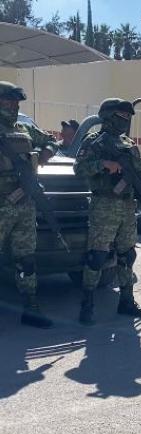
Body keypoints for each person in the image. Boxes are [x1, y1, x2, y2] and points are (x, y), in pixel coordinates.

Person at [74, 98, 141, 325]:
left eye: (128, 117)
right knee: (97, 257)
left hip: (126, 206)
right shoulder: (94, 141)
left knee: (128, 254)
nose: (125, 121)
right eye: (120, 116)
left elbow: (140, 173)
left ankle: (127, 302)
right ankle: (87, 305)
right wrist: (104, 164)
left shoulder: (129, 144)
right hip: (104, 204)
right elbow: (79, 168)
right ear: (107, 116)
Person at [0, 81, 57, 328]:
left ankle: (31, 307)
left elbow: (52, 141)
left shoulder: (24, 128)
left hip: (25, 204)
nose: (13, 106)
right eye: (8, 101)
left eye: (16, 102)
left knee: (26, 259)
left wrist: (45, 152)